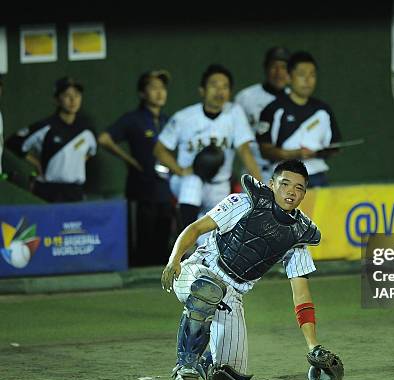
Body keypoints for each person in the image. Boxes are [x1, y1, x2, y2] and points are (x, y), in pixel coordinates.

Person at [161, 160, 342, 380]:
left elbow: (302, 294)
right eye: (285, 184)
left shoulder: (298, 235)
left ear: (304, 194)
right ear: (271, 184)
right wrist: (174, 260)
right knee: (208, 289)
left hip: (232, 294)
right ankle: (185, 365)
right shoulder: (244, 202)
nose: (291, 192)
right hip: (198, 271)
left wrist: (313, 345)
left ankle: (203, 362)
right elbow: (195, 228)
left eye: (299, 188)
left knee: (230, 377)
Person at [153, 64, 261, 233]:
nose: (220, 91)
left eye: (225, 87)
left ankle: (191, 242)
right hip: (185, 181)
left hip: (219, 186)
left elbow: (245, 151)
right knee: (193, 181)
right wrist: (180, 171)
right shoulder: (184, 117)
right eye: (214, 85)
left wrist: (261, 187)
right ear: (202, 90)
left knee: (210, 243)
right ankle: (184, 242)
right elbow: (159, 150)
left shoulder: (234, 112)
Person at [97, 70, 174, 266]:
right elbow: (104, 139)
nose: (160, 92)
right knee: (143, 240)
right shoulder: (133, 119)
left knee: (164, 239)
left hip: (166, 190)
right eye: (153, 87)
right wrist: (128, 160)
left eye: (162, 88)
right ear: (142, 93)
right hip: (142, 190)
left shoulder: (168, 120)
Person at [257, 51, 341, 186]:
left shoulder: (323, 109)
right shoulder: (273, 109)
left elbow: (335, 145)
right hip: (284, 176)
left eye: (312, 75)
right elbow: (265, 149)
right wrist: (294, 154)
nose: (307, 80)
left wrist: (321, 152)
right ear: (289, 77)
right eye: (302, 74)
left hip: (317, 175)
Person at [9, 77, 96, 202]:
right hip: (49, 190)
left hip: (75, 191)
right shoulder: (45, 127)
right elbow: (14, 142)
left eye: (77, 95)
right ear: (57, 99)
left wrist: (74, 164)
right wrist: (37, 163)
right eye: (67, 95)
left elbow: (91, 151)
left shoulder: (87, 131)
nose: (73, 100)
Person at [235, 46, 291, 182]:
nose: (278, 72)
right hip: (254, 170)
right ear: (266, 68)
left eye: (283, 67)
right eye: (274, 67)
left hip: (287, 173)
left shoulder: (295, 99)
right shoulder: (245, 97)